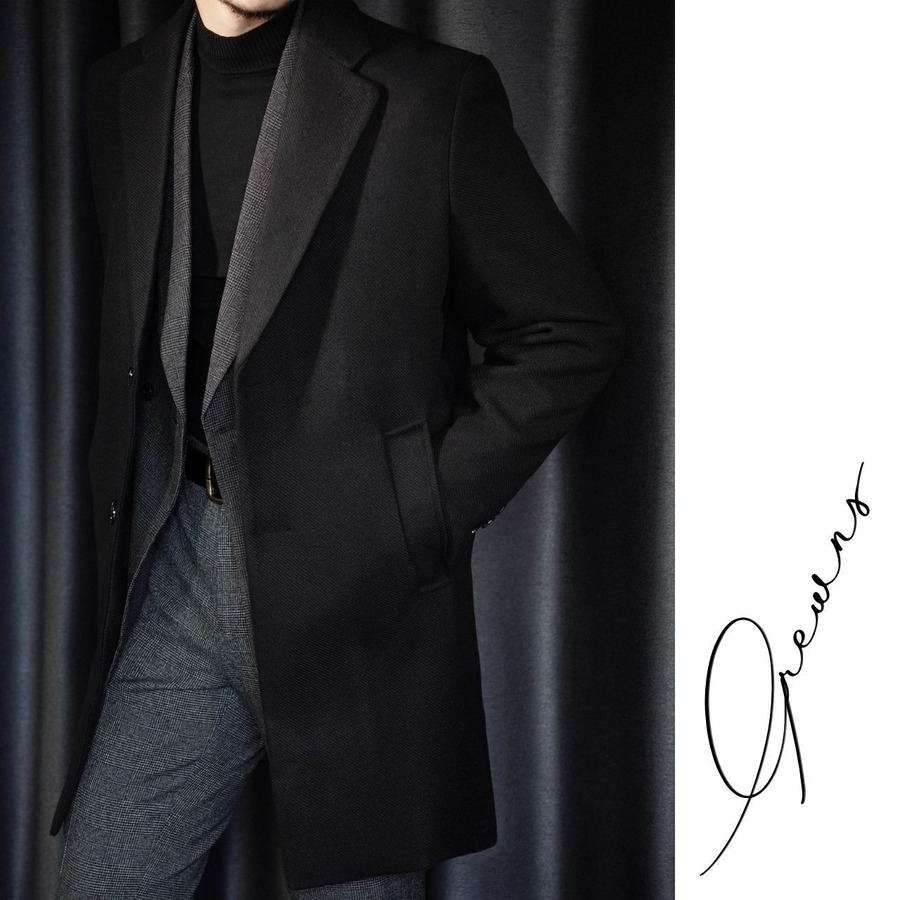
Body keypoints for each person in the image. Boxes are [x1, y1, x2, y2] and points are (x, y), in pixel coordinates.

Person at [50, 0, 626, 896]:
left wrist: (418, 510)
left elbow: (568, 328)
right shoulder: (118, 91)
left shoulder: (429, 95)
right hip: (179, 570)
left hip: (360, 600)